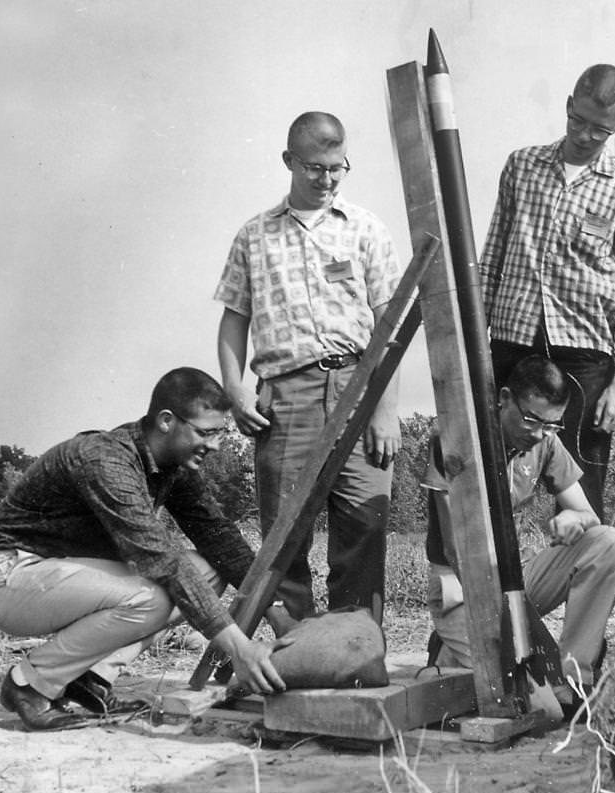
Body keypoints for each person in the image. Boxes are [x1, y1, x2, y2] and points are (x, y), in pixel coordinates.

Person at [0, 368, 296, 731]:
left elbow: (218, 535)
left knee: (209, 568)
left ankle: (92, 679)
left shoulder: (173, 466)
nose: (216, 445)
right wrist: (240, 649)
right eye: (206, 433)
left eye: (220, 433)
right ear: (166, 421)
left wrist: (274, 607)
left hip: (58, 573)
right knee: (155, 596)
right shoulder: (104, 459)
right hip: (10, 575)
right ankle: (28, 684)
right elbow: (161, 560)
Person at [214, 111, 401, 624]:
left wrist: (385, 411)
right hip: (285, 397)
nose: (327, 180)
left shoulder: (365, 229)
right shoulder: (254, 236)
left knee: (364, 527)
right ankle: (296, 658)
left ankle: (357, 654)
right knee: (285, 537)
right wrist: (236, 390)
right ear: (289, 162)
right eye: (315, 168)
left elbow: (391, 329)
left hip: (357, 390)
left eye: (338, 169)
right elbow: (234, 323)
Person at [479, 64, 615, 521]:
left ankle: (578, 587)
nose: (584, 135)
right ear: (568, 105)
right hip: (512, 341)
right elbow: (492, 258)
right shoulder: (522, 165)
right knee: (487, 470)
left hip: (585, 355)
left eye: (600, 130)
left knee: (582, 487)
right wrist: (473, 336)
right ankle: (480, 586)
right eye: (578, 121)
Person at [423, 356, 615, 712]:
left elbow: (588, 515)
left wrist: (575, 519)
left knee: (610, 543)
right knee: (511, 687)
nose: (537, 433)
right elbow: (456, 548)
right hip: (464, 585)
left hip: (514, 580)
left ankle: (573, 679)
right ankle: (447, 661)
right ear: (504, 398)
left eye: (550, 425)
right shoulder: (457, 437)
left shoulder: (544, 441)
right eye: (531, 419)